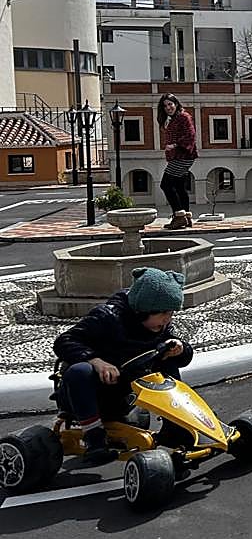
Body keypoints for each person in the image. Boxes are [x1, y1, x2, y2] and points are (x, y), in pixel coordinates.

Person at [53, 267, 194, 463]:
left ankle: (177, 426)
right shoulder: (107, 318)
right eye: (163, 313)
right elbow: (64, 341)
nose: (167, 319)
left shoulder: (159, 326)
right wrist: (96, 361)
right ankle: (94, 438)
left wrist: (181, 348)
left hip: (124, 390)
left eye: (170, 313)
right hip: (88, 394)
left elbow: (183, 358)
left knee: (166, 360)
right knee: (80, 370)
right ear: (143, 310)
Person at [157, 93, 197, 230]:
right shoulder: (174, 119)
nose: (168, 107)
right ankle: (186, 218)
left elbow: (190, 135)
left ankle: (179, 216)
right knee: (179, 186)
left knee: (165, 184)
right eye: (165, 106)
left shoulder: (183, 117)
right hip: (179, 157)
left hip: (183, 157)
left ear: (176, 103)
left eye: (170, 104)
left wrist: (175, 145)